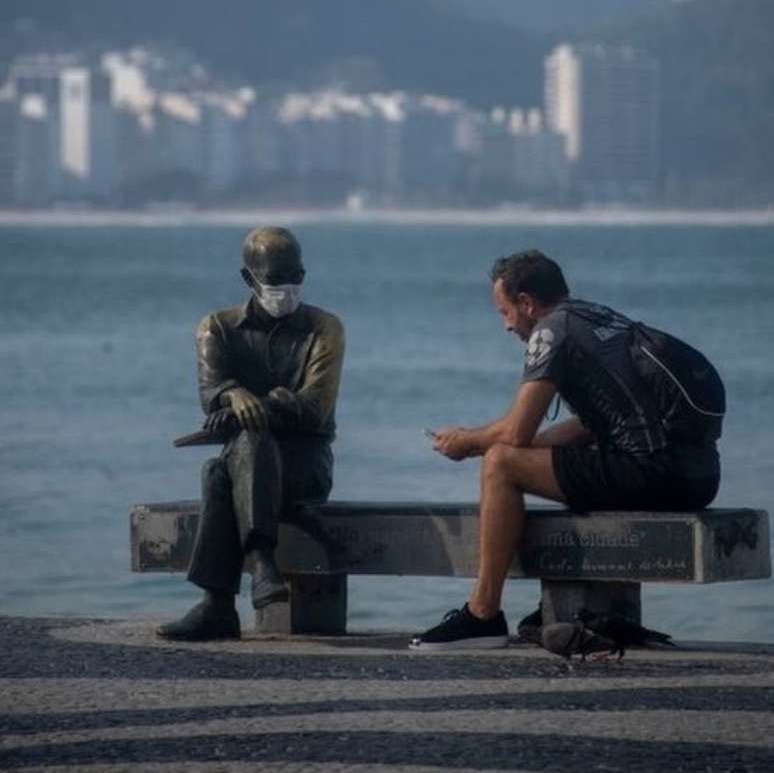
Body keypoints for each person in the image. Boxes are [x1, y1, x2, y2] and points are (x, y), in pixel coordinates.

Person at [410, 249, 723, 651]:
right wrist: (529, 455)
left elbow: (515, 432)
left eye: (504, 312)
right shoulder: (600, 318)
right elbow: (588, 428)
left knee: (499, 464)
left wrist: (467, 441)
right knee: (516, 458)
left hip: (651, 473)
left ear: (526, 303)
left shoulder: (551, 331)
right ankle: (590, 611)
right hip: (698, 476)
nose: (506, 326)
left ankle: (482, 615)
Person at [158, 226, 345, 641]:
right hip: (247, 466)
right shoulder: (217, 328)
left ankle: (221, 601)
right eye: (276, 281)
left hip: (304, 469)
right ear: (250, 279)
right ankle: (255, 569)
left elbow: (314, 410)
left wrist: (254, 404)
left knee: (225, 464)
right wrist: (232, 394)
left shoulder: (325, 328)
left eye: (296, 278)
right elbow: (211, 393)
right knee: (222, 465)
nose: (288, 289)